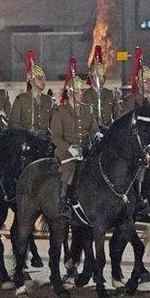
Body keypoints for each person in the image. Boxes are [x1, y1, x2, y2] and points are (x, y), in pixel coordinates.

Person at [50, 58, 98, 212]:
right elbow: (56, 137)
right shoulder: (60, 111)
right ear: (70, 93)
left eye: (81, 91)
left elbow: (93, 129)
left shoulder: (87, 109)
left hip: (84, 150)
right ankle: (63, 201)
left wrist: (97, 136)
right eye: (77, 91)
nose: (80, 94)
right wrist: (70, 148)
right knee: (69, 169)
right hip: (66, 152)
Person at [9, 49, 54, 138]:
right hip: (27, 142)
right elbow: (14, 124)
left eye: (44, 79)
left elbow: (53, 123)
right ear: (31, 81)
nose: (43, 82)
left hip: (44, 142)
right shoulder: (21, 99)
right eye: (40, 79)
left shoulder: (48, 100)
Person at [82, 45, 117, 128]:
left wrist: (117, 101)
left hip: (108, 130)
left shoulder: (109, 94)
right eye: (96, 76)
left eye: (102, 76)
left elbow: (116, 115)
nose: (100, 79)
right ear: (91, 78)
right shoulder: (85, 95)